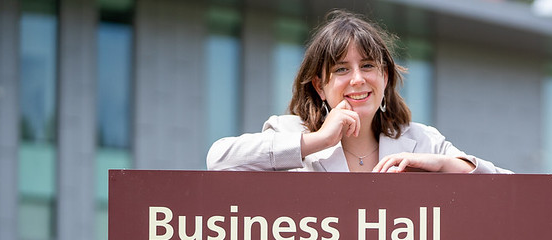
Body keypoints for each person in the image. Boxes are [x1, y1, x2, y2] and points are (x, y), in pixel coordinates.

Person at [206, 10, 512, 174]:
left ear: (385, 76)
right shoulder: (289, 132)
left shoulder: (421, 140)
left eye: (368, 66)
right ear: (319, 86)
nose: (357, 80)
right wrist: (320, 140)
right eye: (341, 69)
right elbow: (218, 161)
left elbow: (512, 189)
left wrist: (445, 164)